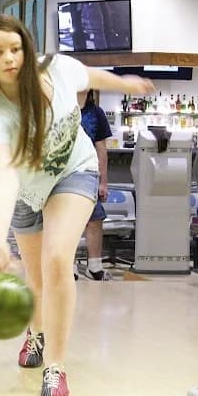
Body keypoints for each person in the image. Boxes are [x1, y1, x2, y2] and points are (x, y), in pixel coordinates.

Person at [0, 14, 154, 396]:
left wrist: (127, 84)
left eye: (15, 48)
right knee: (36, 278)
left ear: (27, 48)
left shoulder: (58, 70)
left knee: (57, 260)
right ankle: (34, 333)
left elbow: (92, 77)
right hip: (26, 191)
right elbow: (4, 177)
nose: (10, 58)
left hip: (75, 171)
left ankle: (55, 367)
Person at [76, 89, 113, 281]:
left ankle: (94, 266)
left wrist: (103, 182)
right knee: (68, 222)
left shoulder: (96, 113)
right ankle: (69, 265)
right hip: (63, 174)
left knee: (95, 218)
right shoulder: (60, 109)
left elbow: (102, 149)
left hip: (89, 174)